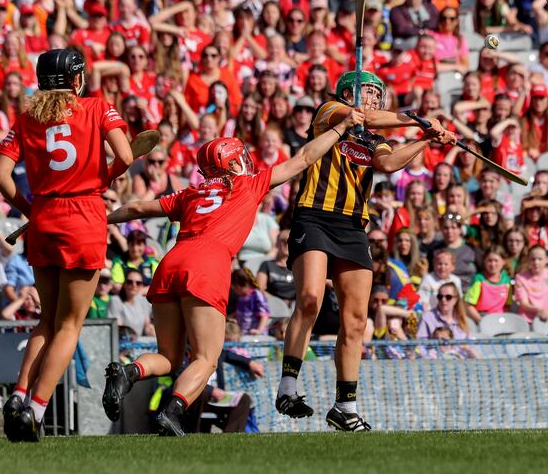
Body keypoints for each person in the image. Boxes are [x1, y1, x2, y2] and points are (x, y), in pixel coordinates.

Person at [101, 107, 366, 436]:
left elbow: (138, 208)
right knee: (206, 358)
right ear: (233, 161)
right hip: (208, 264)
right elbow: (302, 158)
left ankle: (129, 372)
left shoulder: (191, 193)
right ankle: (172, 412)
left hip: (170, 263)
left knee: (168, 356)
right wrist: (341, 128)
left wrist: (99, 218)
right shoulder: (248, 185)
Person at [278, 70, 453, 432]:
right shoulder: (329, 112)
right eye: (366, 92)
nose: (372, 99)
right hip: (314, 217)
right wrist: (418, 119)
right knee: (309, 298)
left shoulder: (374, 141)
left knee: (356, 320)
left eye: (377, 94)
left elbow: (388, 164)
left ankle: (345, 406)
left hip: (353, 227)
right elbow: (368, 116)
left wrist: (426, 139)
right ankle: (288, 386)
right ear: (347, 93)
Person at [0, 49, 133, 442]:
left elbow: (1, 177)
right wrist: (103, 180)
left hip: (44, 218)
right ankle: (35, 411)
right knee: (70, 324)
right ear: (76, 80)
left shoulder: (25, 119)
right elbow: (125, 154)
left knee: (47, 320)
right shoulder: (96, 107)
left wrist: (28, 208)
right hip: (83, 215)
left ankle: (18, 395)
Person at [514, 245, 548, 324]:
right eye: (533, 259)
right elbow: (524, 304)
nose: (536, 262)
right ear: (528, 260)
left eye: (540, 259)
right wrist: (539, 311)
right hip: (527, 321)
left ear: (547, 259)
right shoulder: (520, 278)